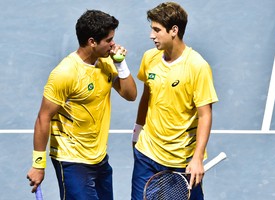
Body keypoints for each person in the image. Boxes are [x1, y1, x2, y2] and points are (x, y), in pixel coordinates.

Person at [26, 9, 137, 200]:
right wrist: (38, 164)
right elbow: (43, 117)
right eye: (109, 40)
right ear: (92, 42)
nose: (113, 45)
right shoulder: (65, 73)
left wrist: (120, 64)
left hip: (99, 157)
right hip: (71, 159)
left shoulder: (105, 63)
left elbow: (130, 94)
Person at [131, 2, 218, 200]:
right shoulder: (149, 58)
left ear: (174, 31)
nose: (151, 36)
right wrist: (138, 131)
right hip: (147, 154)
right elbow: (147, 96)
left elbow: (205, 114)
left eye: (156, 30)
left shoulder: (197, 66)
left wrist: (197, 158)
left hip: (181, 159)